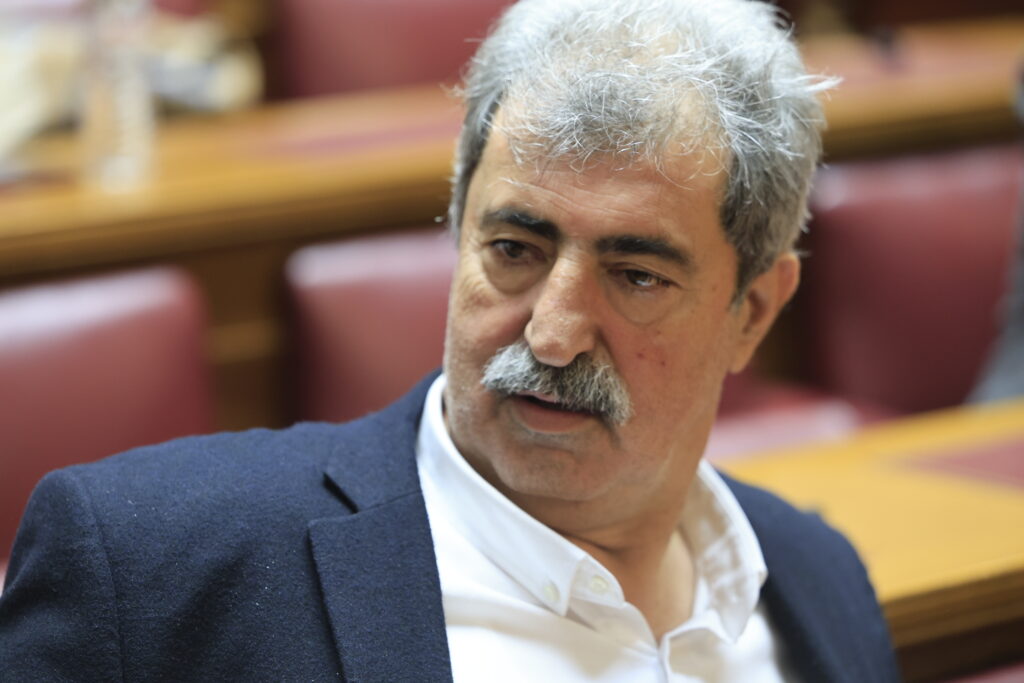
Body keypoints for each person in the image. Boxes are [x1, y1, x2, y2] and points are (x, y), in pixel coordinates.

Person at [0, 0, 900, 680]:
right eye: (514, 249)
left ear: (755, 310)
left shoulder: (819, 581)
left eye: (635, 276)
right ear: (459, 227)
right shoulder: (146, 573)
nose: (552, 335)